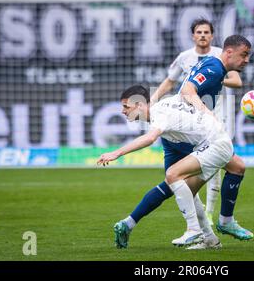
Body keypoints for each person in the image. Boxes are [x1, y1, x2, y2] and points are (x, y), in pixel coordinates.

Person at [97, 85, 230, 250]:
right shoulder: (162, 108)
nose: (123, 111)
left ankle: (193, 229)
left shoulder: (158, 114)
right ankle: (210, 239)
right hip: (214, 143)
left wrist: (117, 153)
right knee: (186, 190)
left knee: (173, 175)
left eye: (126, 106)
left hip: (215, 144)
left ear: (139, 105)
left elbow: (150, 138)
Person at [150, 18, 242, 227]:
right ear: (193, 36)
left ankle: (208, 213)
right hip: (191, 121)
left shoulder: (221, 56)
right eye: (199, 32)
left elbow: (237, 81)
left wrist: (218, 78)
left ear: (212, 35)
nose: (202, 35)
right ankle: (200, 217)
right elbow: (170, 81)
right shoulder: (185, 58)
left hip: (216, 117)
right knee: (199, 165)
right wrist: (153, 99)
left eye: (206, 32)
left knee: (219, 163)